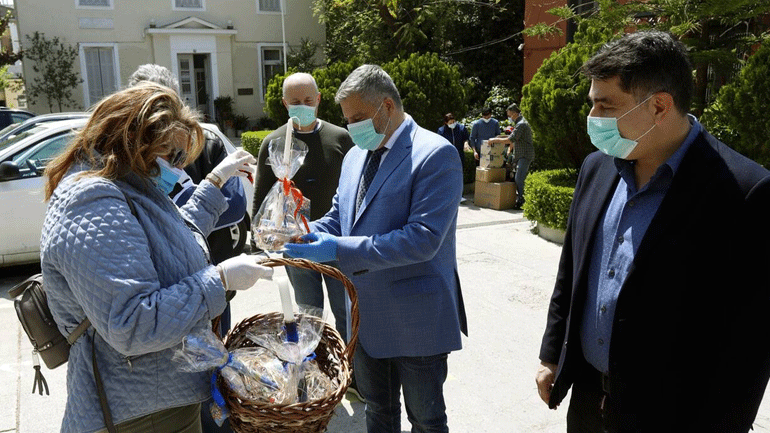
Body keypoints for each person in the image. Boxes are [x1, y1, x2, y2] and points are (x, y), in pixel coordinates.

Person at [535, 30, 770, 432]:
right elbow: (572, 268)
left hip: (671, 413)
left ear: (660, 105)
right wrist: (552, 352)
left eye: (606, 105)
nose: (593, 118)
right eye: (592, 103)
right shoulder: (597, 167)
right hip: (588, 399)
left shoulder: (744, 191)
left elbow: (749, 347)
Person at [40, 83, 269, 433]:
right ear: (133, 142)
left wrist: (214, 182)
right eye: (171, 156)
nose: (177, 169)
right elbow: (133, 323)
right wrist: (219, 280)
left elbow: (169, 239)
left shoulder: (124, 181)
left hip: (154, 401)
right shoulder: (93, 200)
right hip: (141, 414)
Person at [283, 64, 467, 433]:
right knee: (378, 412)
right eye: (347, 120)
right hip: (364, 316)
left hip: (417, 317)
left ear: (387, 106)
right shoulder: (355, 156)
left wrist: (339, 249)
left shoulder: (435, 154)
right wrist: (302, 233)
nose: (351, 127)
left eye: (357, 119)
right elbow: (339, 217)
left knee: (426, 420)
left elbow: (422, 239)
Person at [127, 64, 250, 433]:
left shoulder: (205, 141)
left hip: (208, 281)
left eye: (177, 154)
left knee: (213, 367)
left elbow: (235, 205)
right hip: (170, 304)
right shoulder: (115, 180)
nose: (172, 162)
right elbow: (135, 320)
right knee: (183, 379)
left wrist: (202, 187)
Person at [252, 73, 353, 341]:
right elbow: (261, 196)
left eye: (308, 100)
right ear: (285, 104)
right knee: (309, 315)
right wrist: (260, 243)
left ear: (318, 99)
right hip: (295, 244)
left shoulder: (340, 138)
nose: (303, 106)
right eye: (295, 101)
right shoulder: (274, 143)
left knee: (346, 311)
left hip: (336, 241)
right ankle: (315, 361)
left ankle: (351, 361)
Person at [487, 103, 534, 209]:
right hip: (521, 154)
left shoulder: (521, 124)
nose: (509, 118)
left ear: (514, 114)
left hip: (525, 155)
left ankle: (522, 201)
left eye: (509, 115)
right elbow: (513, 137)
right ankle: (522, 198)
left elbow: (510, 139)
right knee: (518, 177)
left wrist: (495, 140)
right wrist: (500, 138)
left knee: (519, 178)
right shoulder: (520, 123)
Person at [436, 112, 469, 177]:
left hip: (459, 154)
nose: (453, 124)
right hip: (447, 155)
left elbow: (466, 138)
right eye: (450, 123)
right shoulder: (441, 131)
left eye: (454, 122)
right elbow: (439, 143)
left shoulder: (461, 128)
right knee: (448, 174)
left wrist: (466, 143)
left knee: (459, 173)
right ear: (446, 123)